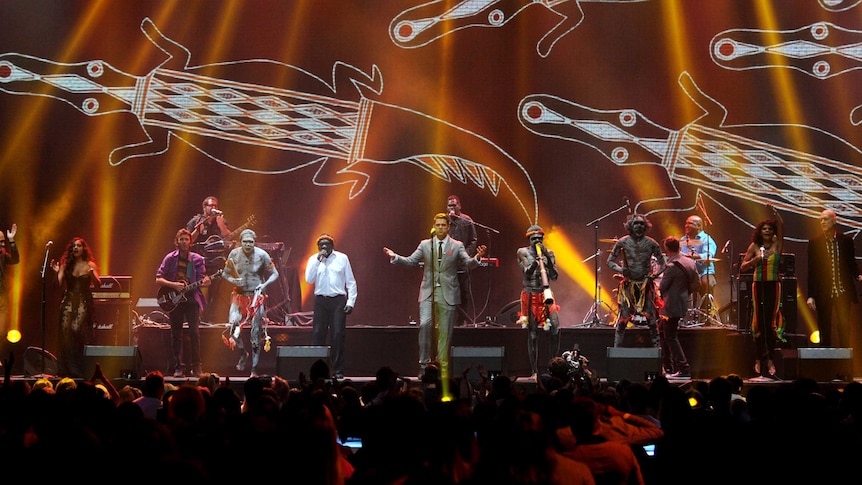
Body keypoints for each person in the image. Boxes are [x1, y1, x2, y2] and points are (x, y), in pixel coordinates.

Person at [383, 213, 487, 380]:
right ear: (434, 226)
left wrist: (477, 258)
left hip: (449, 293)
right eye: (437, 225)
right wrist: (395, 257)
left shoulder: (457, 245)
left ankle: (441, 367)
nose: (440, 228)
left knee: (445, 332)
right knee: (425, 325)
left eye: (443, 225)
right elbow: (411, 261)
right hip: (428, 292)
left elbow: (468, 264)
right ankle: (424, 366)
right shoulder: (425, 245)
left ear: (448, 227)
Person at [155, 228, 212, 378]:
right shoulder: (169, 258)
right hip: (174, 300)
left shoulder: (197, 259)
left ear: (190, 242)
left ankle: (196, 366)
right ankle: (178, 367)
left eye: (186, 239)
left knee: (194, 333)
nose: (184, 242)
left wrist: (205, 282)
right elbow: (158, 278)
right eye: (181, 239)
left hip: (192, 299)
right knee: (176, 334)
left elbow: (202, 279)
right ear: (177, 242)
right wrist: (173, 285)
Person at [223, 229, 279, 377]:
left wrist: (264, 284)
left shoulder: (262, 255)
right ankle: (243, 352)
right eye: (245, 242)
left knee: (255, 333)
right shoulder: (234, 254)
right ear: (240, 242)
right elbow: (225, 273)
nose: (248, 244)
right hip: (239, 296)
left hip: (256, 297)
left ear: (255, 242)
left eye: (251, 242)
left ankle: (254, 368)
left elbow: (275, 274)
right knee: (233, 327)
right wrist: (233, 280)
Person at [739, 204, 784, 379]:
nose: (766, 231)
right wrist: (755, 260)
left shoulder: (777, 244)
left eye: (769, 228)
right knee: (758, 323)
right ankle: (758, 358)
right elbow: (743, 267)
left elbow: (782, 227)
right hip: (758, 285)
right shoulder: (754, 246)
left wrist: (776, 215)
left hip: (773, 284)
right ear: (760, 231)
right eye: (764, 228)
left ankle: (770, 359)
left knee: (770, 323)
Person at [304, 233, 357, 380]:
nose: (324, 247)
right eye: (321, 245)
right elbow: (308, 279)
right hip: (321, 300)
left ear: (332, 246)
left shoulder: (342, 258)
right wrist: (317, 260)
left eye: (327, 244)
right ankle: (317, 370)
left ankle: (338, 370)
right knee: (318, 334)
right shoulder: (314, 259)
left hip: (338, 300)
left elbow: (351, 282)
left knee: (338, 335)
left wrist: (350, 302)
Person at [806, 209, 861, 347]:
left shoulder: (846, 241)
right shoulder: (815, 243)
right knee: (824, 325)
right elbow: (812, 271)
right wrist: (811, 295)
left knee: (843, 325)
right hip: (824, 291)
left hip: (842, 290)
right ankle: (826, 360)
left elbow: (851, 263)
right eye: (821, 220)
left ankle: (845, 360)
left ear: (834, 220)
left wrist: (858, 275)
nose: (822, 222)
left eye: (825, 219)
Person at [608, 213, 664, 348]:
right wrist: (621, 270)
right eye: (636, 223)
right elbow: (609, 262)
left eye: (641, 224)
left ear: (645, 226)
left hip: (645, 286)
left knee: (651, 319)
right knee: (623, 319)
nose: (639, 226)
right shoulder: (622, 242)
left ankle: (657, 352)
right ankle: (616, 350)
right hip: (629, 286)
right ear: (630, 226)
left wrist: (655, 275)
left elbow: (663, 263)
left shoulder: (651, 244)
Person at [50, 237, 101, 378]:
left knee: (76, 330)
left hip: (84, 301)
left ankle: (77, 367)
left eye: (78, 246)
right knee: (65, 334)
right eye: (73, 246)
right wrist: (56, 271)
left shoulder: (90, 265)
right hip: (68, 300)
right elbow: (58, 285)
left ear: (84, 248)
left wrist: (91, 275)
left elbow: (98, 284)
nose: (76, 248)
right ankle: (65, 368)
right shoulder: (66, 265)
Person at [516, 224, 561, 379]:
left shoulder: (550, 253)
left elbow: (554, 276)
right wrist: (537, 261)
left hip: (546, 294)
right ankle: (534, 371)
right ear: (529, 239)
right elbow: (527, 273)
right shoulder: (523, 252)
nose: (537, 241)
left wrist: (547, 257)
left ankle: (553, 367)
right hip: (530, 295)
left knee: (556, 329)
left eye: (540, 238)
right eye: (534, 238)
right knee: (533, 335)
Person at [658, 236, 699, 378]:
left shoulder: (671, 266)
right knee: (663, 332)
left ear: (666, 249)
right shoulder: (690, 262)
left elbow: (662, 287)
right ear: (679, 247)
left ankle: (683, 368)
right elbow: (696, 283)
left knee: (670, 336)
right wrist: (685, 292)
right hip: (682, 301)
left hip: (671, 305)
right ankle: (668, 366)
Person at [187, 195, 231, 322]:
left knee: (214, 291)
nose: (213, 208)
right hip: (196, 262)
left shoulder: (221, 221)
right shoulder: (196, 221)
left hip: (215, 262)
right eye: (211, 206)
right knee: (193, 288)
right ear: (204, 207)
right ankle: (192, 317)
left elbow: (228, 238)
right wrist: (197, 231)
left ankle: (208, 317)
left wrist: (221, 225)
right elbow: (187, 240)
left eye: (215, 206)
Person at [446, 195, 478, 325]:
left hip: (462, 263)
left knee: (463, 292)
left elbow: (473, 240)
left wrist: (465, 255)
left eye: (454, 205)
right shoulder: (444, 220)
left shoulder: (466, 220)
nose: (452, 208)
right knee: (446, 292)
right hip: (447, 263)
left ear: (459, 206)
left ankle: (462, 320)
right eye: (449, 206)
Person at [680, 215, 717, 314]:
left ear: (699, 226)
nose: (686, 225)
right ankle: (680, 314)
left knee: (707, 283)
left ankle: (705, 314)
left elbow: (708, 255)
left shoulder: (707, 239)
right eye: (686, 223)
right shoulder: (683, 240)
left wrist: (694, 256)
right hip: (687, 273)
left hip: (703, 272)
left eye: (690, 223)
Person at [0, 223, 19, 352]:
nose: (2, 245)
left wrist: (11, 240)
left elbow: (15, 259)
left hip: (2, 296)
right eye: (0, 242)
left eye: (3, 242)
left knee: (1, 330)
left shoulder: (2, 255)